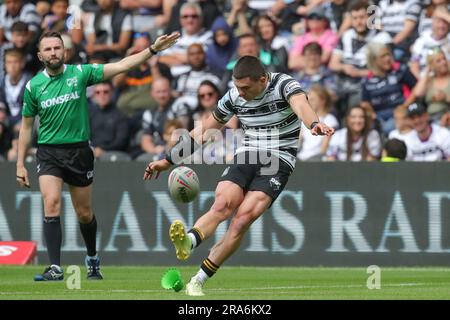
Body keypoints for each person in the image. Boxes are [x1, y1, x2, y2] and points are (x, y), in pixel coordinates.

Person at [143, 55, 334, 296]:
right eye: (237, 87)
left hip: (279, 158)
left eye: (245, 87)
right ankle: (189, 242)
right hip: (248, 153)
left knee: (243, 219)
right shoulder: (234, 96)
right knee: (222, 204)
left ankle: (197, 280)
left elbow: (300, 105)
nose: (240, 92)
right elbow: (203, 132)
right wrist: (167, 160)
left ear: (262, 79)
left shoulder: (284, 84)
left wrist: (313, 123)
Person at [16, 30, 180, 281]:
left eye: (57, 48)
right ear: (40, 55)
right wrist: (20, 163)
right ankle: (55, 268)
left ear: (65, 51)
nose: (53, 53)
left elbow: (122, 65)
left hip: (79, 151)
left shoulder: (80, 74)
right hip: (48, 152)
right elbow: (26, 128)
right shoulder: (33, 86)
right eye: (48, 49)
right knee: (51, 204)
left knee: (84, 213)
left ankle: (92, 258)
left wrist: (153, 50)